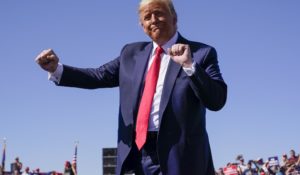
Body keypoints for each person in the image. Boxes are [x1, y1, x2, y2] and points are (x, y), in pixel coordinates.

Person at [35, 0, 227, 174]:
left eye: (159, 13)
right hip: (135, 156)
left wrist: (189, 66)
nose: (153, 20)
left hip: (181, 158)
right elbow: (98, 76)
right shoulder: (130, 54)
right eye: (147, 17)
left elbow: (217, 100)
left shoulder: (201, 53)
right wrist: (57, 69)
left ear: (174, 17)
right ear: (141, 26)